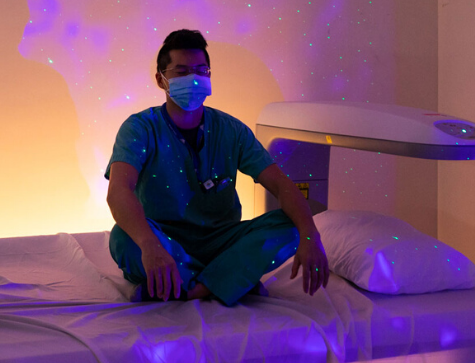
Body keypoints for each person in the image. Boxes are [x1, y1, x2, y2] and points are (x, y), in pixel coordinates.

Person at [106, 30, 329, 305]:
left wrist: (311, 235)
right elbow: (119, 191)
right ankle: (228, 281)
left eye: (201, 71)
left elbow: (282, 186)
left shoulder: (231, 130)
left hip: (223, 242)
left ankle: (188, 288)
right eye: (182, 71)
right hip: (165, 239)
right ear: (160, 80)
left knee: (292, 227)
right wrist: (150, 245)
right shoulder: (140, 128)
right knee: (123, 239)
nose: (194, 79)